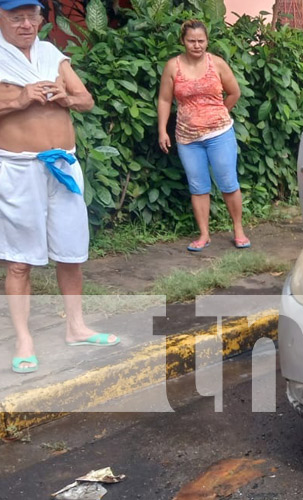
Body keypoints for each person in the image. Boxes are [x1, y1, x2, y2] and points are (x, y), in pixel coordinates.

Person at [0, 0, 119, 374]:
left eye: (31, 16)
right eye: (15, 17)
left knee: (71, 252)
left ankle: (76, 326)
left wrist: (67, 97)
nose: (25, 24)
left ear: (40, 18)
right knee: (20, 260)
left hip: (64, 167)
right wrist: (20, 98)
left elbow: (87, 100)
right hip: (20, 170)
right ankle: (24, 339)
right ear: (1, 18)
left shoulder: (53, 54)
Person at [157, 19, 250, 252]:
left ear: (207, 41)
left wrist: (219, 113)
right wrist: (162, 130)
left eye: (201, 41)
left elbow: (234, 92)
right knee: (198, 187)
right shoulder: (172, 67)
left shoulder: (217, 64)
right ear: (183, 41)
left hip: (220, 134)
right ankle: (204, 234)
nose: (197, 45)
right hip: (187, 138)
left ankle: (238, 229)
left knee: (228, 182)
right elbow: (165, 99)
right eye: (191, 41)